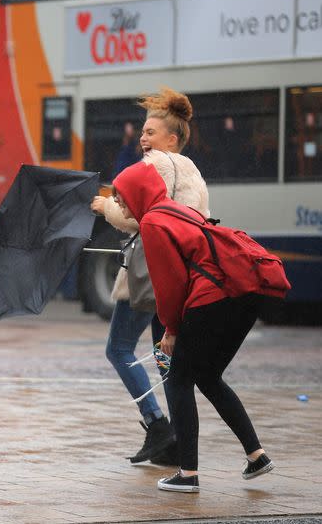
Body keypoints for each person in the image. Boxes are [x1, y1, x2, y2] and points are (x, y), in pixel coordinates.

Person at [112, 161, 274, 493]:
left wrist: (170, 331)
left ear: (137, 192)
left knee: (178, 378)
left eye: (122, 197)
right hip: (242, 294)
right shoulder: (174, 210)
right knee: (207, 376)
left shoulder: (154, 222)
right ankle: (256, 456)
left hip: (214, 298)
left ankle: (187, 474)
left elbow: (171, 285)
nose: (120, 204)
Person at [90, 87, 209, 466]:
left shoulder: (154, 165)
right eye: (142, 131)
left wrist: (104, 205)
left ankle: (158, 425)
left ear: (171, 139)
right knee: (165, 357)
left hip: (151, 271)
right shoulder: (193, 171)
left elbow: (133, 217)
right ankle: (175, 445)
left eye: (151, 132)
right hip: (183, 275)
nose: (143, 138)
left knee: (118, 348)